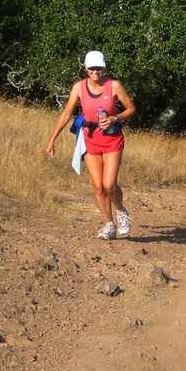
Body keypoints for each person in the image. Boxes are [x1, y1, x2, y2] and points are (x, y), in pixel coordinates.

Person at [45, 50, 136, 240]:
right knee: (97, 185)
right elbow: (66, 114)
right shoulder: (79, 88)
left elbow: (131, 109)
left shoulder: (114, 86)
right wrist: (52, 139)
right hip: (90, 139)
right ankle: (108, 225)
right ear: (86, 69)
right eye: (92, 68)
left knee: (109, 184)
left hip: (112, 139)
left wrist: (114, 118)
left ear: (104, 68)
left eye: (99, 68)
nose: (96, 72)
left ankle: (121, 211)